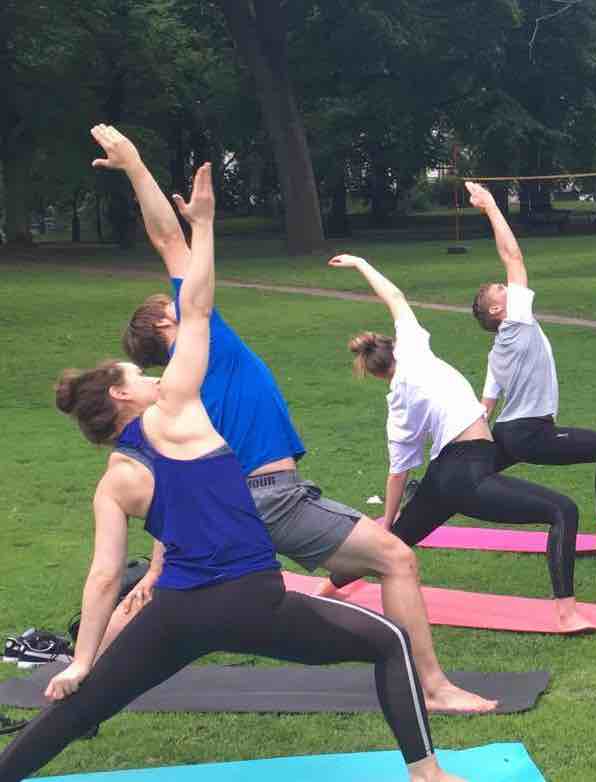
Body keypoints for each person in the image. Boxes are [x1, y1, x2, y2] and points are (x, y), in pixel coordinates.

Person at [0, 164, 460, 782]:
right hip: (252, 601)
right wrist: (207, 222)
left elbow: (106, 573)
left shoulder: (114, 477)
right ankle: (428, 775)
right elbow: (195, 309)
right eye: (139, 376)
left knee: (82, 704)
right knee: (389, 642)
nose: (152, 375)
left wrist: (83, 658)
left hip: (175, 613)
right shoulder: (179, 410)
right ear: (123, 396)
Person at [98, 125, 492, 714]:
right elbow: (166, 238)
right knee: (397, 559)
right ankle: (431, 687)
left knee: (169, 593)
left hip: (245, 498)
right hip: (272, 495)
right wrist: (134, 163)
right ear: (165, 326)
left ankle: (84, 673)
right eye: (168, 304)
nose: (177, 296)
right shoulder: (202, 340)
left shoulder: (182, 379)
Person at [322, 253, 595, 633]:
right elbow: (395, 298)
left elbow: (398, 472)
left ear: (375, 372)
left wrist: (387, 521)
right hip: (469, 471)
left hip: (442, 476)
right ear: (394, 346)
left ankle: (324, 589)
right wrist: (361, 263)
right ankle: (566, 613)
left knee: (394, 543)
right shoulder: (415, 348)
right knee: (563, 510)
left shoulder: (397, 404)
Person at [467, 182, 596, 561]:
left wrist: (474, 447)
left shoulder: (499, 348)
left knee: (466, 481)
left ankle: (422, 496)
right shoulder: (515, 324)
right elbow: (513, 257)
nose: (507, 286)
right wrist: (491, 207)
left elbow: (486, 407)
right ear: (498, 311)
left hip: (509, 433)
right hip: (531, 433)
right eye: (501, 289)